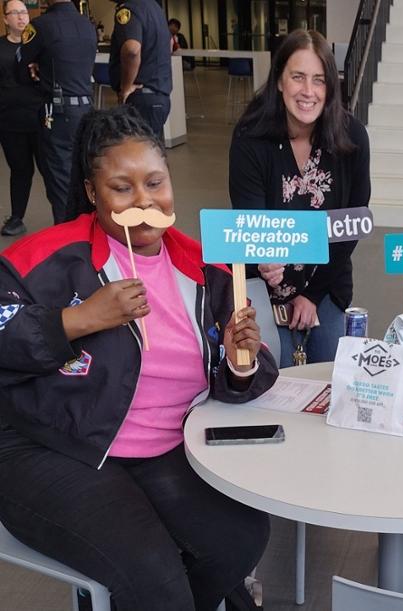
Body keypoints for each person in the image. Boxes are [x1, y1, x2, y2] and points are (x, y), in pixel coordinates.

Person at [0, 106, 277, 611]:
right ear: (91, 194)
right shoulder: (45, 259)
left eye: (155, 183)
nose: (144, 202)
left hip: (164, 447)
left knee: (241, 538)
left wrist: (241, 364)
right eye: (122, 188)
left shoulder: (203, 268)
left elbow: (243, 372)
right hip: (54, 448)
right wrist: (77, 320)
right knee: (153, 579)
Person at [229, 29, 370, 368]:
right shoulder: (250, 136)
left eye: (319, 80)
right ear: (280, 80)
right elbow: (251, 218)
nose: (308, 91)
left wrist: (312, 295)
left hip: (326, 279)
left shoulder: (351, 136)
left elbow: (348, 227)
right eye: (298, 77)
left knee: (336, 370)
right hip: (263, 281)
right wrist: (265, 258)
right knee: (266, 369)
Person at [16, 0, 96, 225]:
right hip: (86, 109)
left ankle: (66, 236)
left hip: (57, 112)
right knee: (85, 174)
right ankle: (87, 230)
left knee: (61, 180)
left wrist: (36, 70)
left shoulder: (41, 25)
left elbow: (20, 69)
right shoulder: (87, 25)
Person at [0, 0, 44, 236]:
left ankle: (66, 218)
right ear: (6, 19)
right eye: (14, 13)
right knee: (20, 170)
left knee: (51, 170)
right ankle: (16, 218)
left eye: (24, 12)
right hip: (10, 121)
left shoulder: (40, 44)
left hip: (40, 118)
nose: (20, 17)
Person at [109, 0, 172, 138]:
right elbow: (170, 43)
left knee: (137, 154)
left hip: (141, 98)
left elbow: (131, 50)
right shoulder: (155, 8)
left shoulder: (128, 10)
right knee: (152, 153)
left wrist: (125, 87)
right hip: (159, 96)